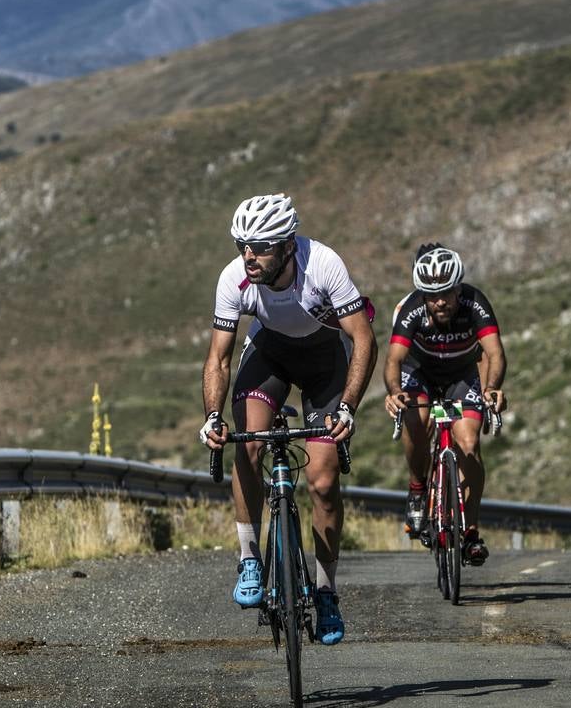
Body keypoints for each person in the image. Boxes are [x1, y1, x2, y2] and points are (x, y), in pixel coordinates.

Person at [198, 193, 376, 645]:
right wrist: (213, 417)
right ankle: (250, 558)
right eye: (242, 245)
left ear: (287, 246)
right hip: (270, 354)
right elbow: (219, 358)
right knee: (249, 442)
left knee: (322, 480)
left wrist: (347, 407)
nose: (248, 256)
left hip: (324, 362)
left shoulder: (324, 265)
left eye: (259, 247)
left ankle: (326, 591)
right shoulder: (234, 277)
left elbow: (363, 340)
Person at [382, 243, 506, 565]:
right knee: (417, 420)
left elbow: (495, 353)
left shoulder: (476, 303)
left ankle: (471, 531)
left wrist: (492, 388)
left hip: (460, 377)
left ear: (458, 288)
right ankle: (418, 487)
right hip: (419, 373)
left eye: (448, 293)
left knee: (469, 443)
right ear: (421, 293)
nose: (440, 301)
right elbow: (393, 359)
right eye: (432, 295)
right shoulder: (410, 309)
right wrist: (394, 391)